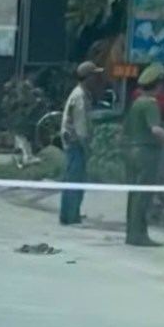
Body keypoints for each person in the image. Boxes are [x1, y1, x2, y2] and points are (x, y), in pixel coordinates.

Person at [123, 62, 164, 246]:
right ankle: (139, 235)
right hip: (146, 153)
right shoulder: (150, 104)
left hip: (131, 150)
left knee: (133, 194)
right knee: (143, 195)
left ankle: (132, 232)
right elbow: (156, 130)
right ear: (158, 84)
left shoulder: (136, 102)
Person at [59, 61, 103, 225]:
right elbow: (81, 128)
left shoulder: (80, 93)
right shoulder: (80, 97)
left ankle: (70, 213)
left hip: (73, 143)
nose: (97, 79)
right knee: (75, 180)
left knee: (72, 179)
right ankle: (70, 216)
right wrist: (87, 148)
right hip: (76, 144)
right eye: (94, 75)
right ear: (88, 77)